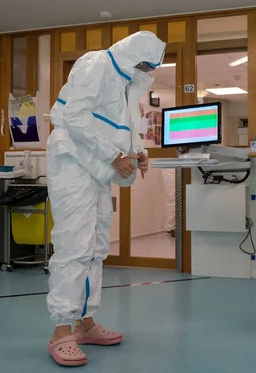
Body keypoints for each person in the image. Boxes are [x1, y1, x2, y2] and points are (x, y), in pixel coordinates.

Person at [46, 31, 165, 366]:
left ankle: (84, 322)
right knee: (74, 245)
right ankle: (60, 330)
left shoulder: (127, 82)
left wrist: (138, 152)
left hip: (97, 167)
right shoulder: (96, 63)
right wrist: (113, 155)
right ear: (132, 54)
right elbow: (76, 117)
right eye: (143, 62)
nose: (145, 69)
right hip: (73, 161)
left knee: (97, 246)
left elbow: (123, 126)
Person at [161, 168, 176, 237]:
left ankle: (173, 226)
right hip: (170, 166)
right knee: (172, 197)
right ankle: (171, 227)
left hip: (184, 163)